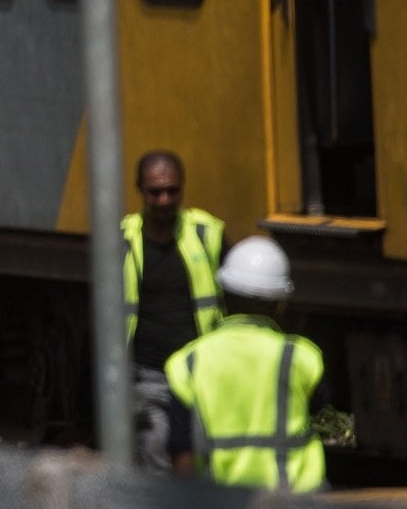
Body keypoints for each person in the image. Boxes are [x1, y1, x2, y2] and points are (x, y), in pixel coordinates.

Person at [163, 236, 326, 491]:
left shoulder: (189, 362)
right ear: (280, 304)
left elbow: (181, 449)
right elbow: (319, 403)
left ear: (224, 296)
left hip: (221, 507)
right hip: (294, 504)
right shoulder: (299, 356)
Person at [123, 150, 226, 470]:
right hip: (151, 375)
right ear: (139, 190)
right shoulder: (123, 242)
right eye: (155, 192)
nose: (165, 200)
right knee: (157, 455)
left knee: (205, 458)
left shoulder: (206, 233)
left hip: (201, 373)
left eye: (172, 191)